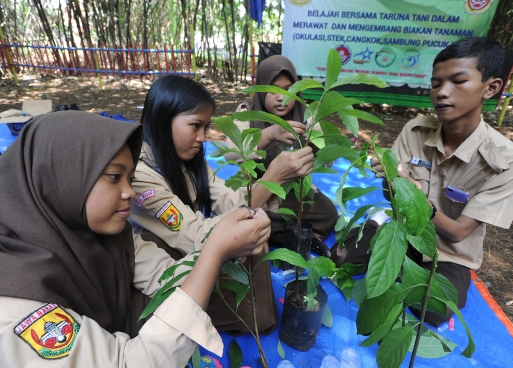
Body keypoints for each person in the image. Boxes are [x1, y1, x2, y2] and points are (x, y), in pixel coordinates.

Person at [0, 111, 270, 367]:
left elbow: (164, 273)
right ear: (61, 177)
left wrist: (221, 253)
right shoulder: (17, 302)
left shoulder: (104, 234)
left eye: (129, 178)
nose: (130, 192)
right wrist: (214, 252)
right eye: (115, 177)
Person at [332, 37, 513, 326]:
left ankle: (390, 258)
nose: (442, 93)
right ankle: (378, 231)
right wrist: (392, 179)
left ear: (491, 87)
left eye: (458, 81)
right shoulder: (415, 131)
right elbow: (394, 195)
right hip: (403, 232)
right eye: (436, 83)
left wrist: (416, 199)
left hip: (449, 254)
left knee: (435, 309)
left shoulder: (512, 166)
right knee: (341, 258)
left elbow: (458, 233)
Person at [129, 75, 312, 334]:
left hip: (196, 247)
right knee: (258, 315)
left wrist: (270, 183)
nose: (203, 137)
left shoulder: (188, 160)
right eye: (195, 126)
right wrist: (271, 178)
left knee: (257, 239)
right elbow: (192, 234)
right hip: (170, 260)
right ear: (162, 119)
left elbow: (230, 201)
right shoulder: (141, 177)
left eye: (205, 127)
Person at [224, 55, 339, 253]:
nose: (282, 97)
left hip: (293, 192)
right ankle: (292, 235)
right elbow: (231, 153)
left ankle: (279, 235)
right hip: (257, 192)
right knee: (239, 215)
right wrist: (269, 134)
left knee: (328, 214)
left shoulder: (306, 114)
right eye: (273, 90)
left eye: (289, 90)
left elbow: (327, 160)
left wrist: (318, 145)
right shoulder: (247, 112)